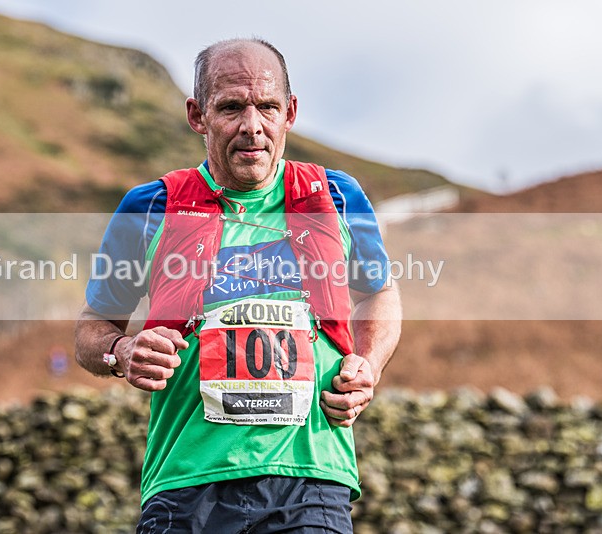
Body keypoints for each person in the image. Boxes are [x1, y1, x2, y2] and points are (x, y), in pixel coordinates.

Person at [75, 38, 402, 533]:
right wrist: (121, 350)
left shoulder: (336, 196)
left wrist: (368, 364)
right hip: (185, 484)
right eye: (231, 108)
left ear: (290, 112)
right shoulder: (150, 207)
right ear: (197, 115)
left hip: (310, 480)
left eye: (267, 107)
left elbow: (380, 292)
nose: (253, 127)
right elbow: (91, 328)